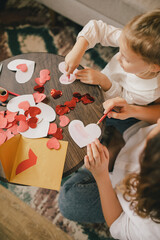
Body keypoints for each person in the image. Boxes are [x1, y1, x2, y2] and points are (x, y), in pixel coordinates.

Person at [58, 97, 160, 240]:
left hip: (115, 189)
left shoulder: (151, 229)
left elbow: (118, 223)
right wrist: (134, 111)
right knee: (105, 103)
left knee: (68, 202)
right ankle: (116, 146)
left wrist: (101, 176)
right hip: (136, 129)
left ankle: (111, 152)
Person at [64, 9, 160, 140]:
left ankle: (112, 135)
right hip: (105, 81)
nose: (118, 57)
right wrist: (78, 49)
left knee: (96, 121)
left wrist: (104, 81)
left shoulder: (151, 90)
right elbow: (97, 28)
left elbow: (122, 101)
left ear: (153, 67)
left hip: (115, 106)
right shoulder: (131, 42)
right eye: (120, 49)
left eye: (127, 59)